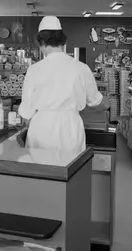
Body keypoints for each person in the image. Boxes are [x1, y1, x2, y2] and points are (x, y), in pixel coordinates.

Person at [18, 16, 109, 154]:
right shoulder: (81, 68)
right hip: (70, 127)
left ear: (41, 42)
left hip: (41, 128)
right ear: (63, 41)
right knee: (70, 165)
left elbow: (26, 110)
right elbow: (96, 101)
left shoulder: (34, 70)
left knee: (40, 164)